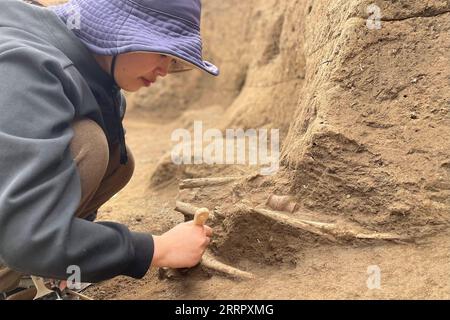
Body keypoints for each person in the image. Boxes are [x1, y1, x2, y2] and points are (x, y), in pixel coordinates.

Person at [0, 0, 219, 299]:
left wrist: (71, 260)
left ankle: (31, 272)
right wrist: (156, 248)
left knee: (115, 158)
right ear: (119, 28)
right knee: (87, 142)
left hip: (17, 227)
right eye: (160, 51)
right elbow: (28, 235)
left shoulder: (96, 77)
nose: (164, 70)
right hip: (19, 232)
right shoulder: (25, 66)